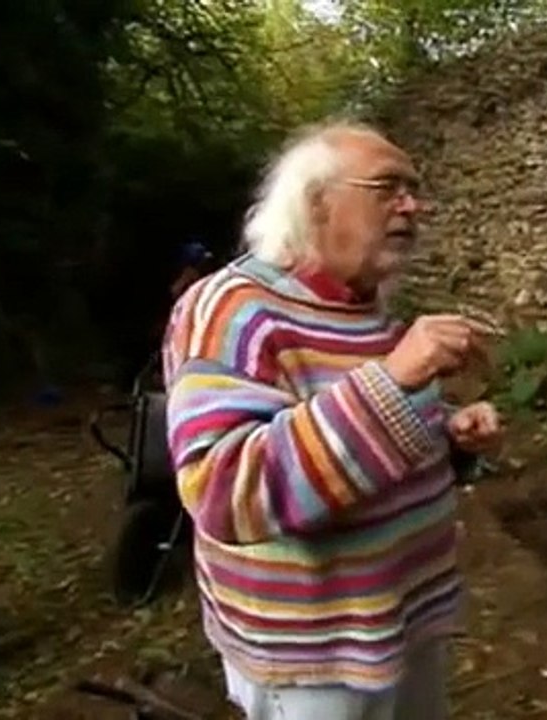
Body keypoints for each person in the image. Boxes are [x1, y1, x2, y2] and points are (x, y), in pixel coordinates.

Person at [161, 121, 503, 720]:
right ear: (316, 202)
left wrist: (446, 434)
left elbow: (363, 436)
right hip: (312, 664)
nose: (412, 205)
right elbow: (223, 489)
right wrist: (396, 377)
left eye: (415, 189)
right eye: (388, 187)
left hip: (404, 626)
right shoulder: (232, 309)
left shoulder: (369, 312)